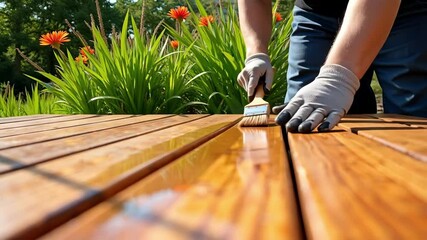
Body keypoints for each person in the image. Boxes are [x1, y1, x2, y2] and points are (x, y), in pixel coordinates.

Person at [237, 0, 427, 133]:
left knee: (414, 114)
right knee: (304, 118)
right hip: (316, 14)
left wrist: (337, 79)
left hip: (401, 13)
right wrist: (256, 53)